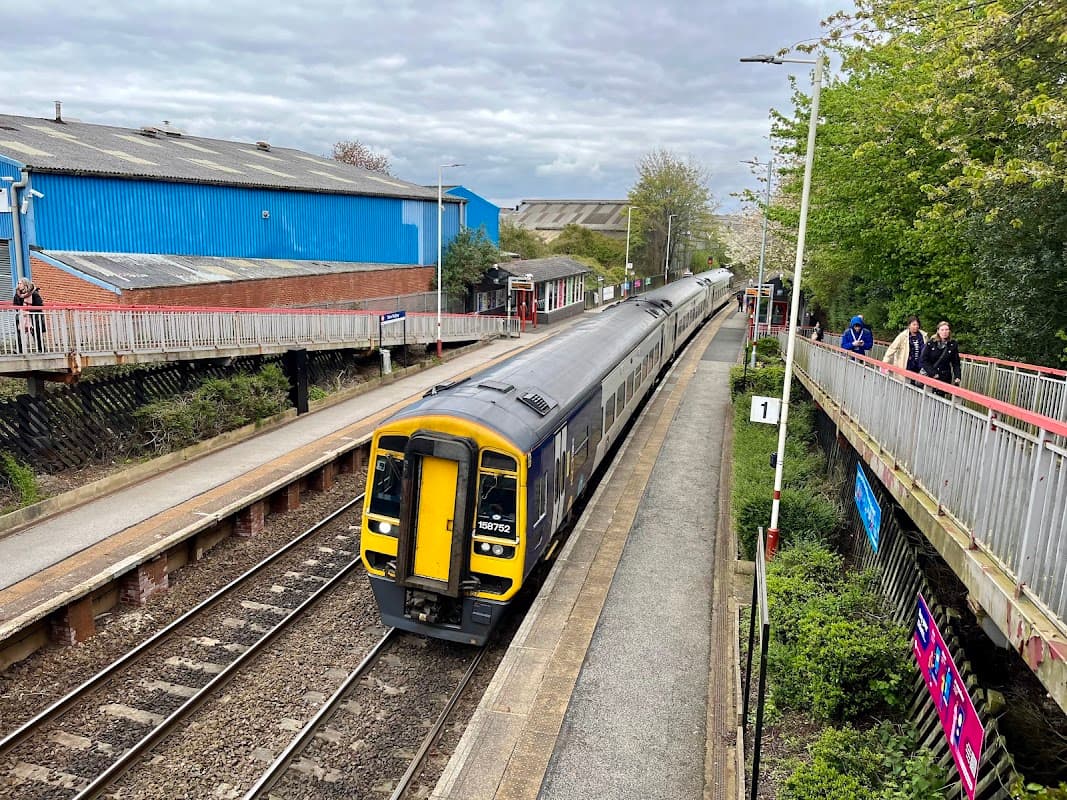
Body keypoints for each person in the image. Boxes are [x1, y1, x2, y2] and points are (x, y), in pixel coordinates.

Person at [920, 320, 961, 395]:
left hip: (944, 376)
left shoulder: (952, 345)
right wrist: (933, 373)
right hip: (931, 375)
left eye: (946, 330)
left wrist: (957, 376)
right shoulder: (931, 343)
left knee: (940, 399)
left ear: (949, 331)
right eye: (942, 330)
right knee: (928, 397)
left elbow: (956, 363)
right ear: (938, 331)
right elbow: (923, 360)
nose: (944, 332)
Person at [12, 277, 45, 353]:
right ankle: (19, 350)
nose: (19, 285)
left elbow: (39, 305)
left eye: (20, 283)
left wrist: (29, 311)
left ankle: (41, 349)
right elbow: (15, 305)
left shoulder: (34, 294)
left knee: (36, 333)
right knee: (19, 333)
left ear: (25, 284)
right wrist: (21, 310)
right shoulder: (17, 294)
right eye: (18, 283)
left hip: (33, 316)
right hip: (22, 316)